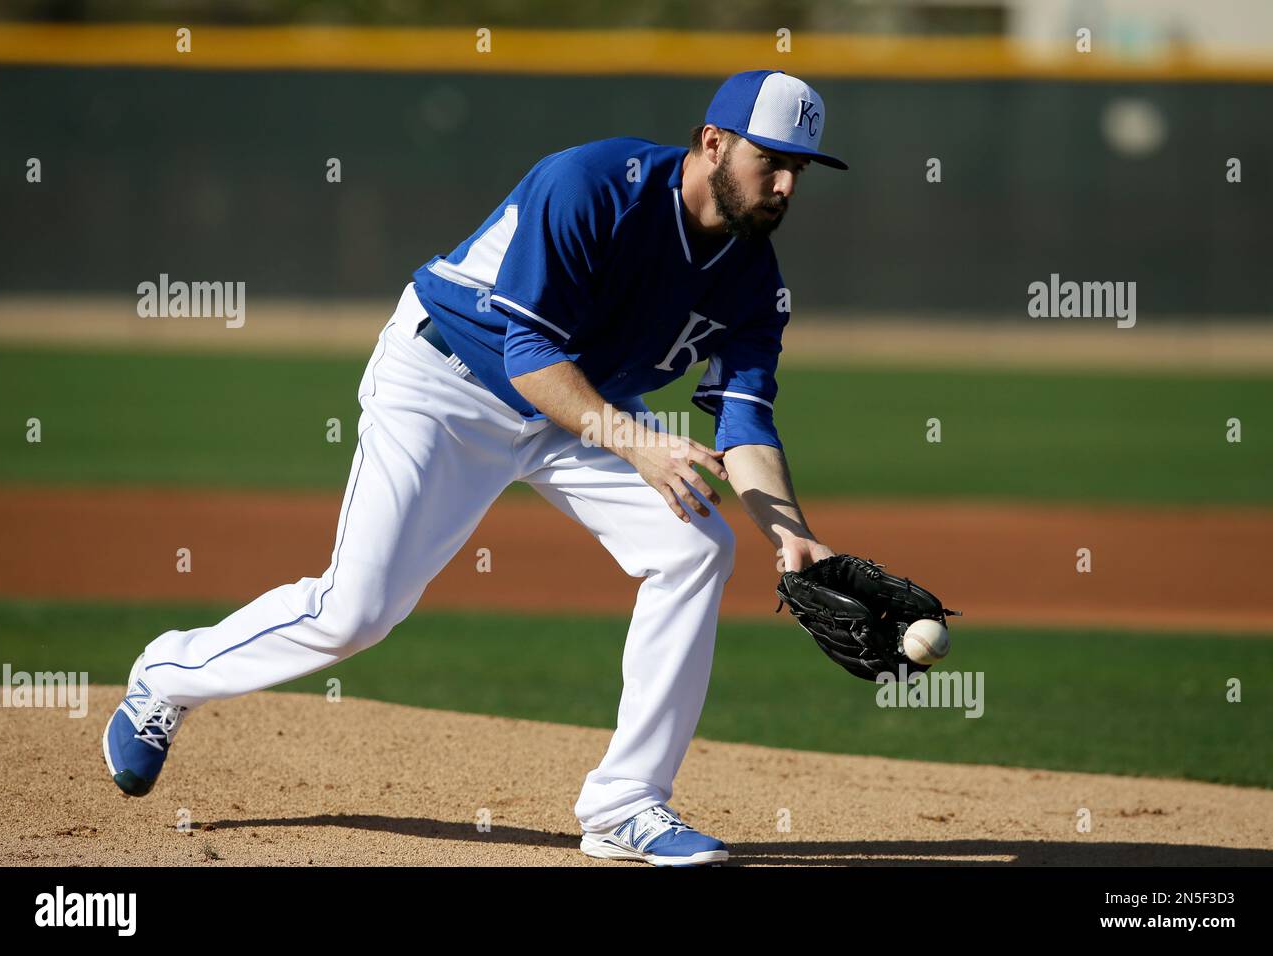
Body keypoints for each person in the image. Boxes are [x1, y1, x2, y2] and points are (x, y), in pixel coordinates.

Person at [103, 69, 848, 867]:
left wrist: (793, 534)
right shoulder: (594, 185)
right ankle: (167, 676)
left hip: (578, 408)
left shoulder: (753, 279)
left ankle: (625, 804)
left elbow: (745, 421)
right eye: (769, 160)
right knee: (355, 613)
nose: (783, 185)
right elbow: (528, 352)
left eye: (798, 168)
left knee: (697, 549)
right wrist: (636, 442)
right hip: (447, 381)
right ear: (712, 142)